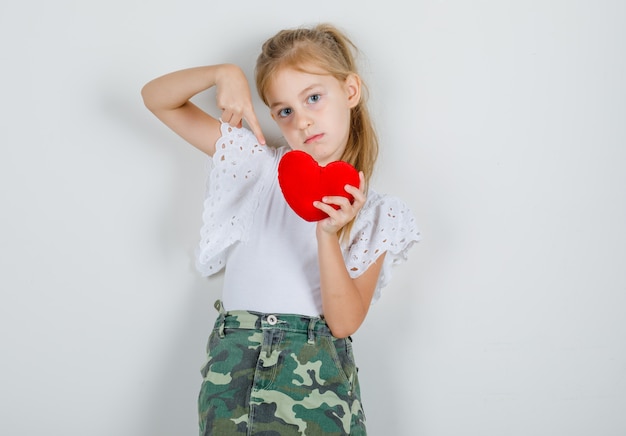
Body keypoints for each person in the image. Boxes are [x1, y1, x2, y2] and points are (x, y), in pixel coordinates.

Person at [141, 22, 420, 436]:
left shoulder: (378, 214)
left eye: (313, 98)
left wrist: (327, 234)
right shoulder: (257, 166)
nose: (303, 121)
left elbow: (343, 323)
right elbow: (157, 99)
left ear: (350, 91)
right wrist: (223, 73)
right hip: (234, 370)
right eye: (285, 111)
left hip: (316, 376)